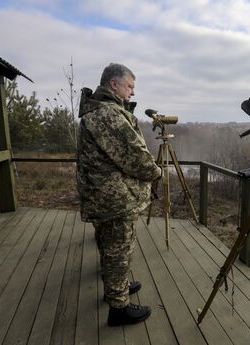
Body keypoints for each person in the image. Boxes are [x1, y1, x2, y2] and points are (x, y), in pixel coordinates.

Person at [76, 63, 161, 326]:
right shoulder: (108, 115)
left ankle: (118, 286)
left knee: (109, 244)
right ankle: (118, 307)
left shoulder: (98, 111)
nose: (132, 92)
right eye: (129, 86)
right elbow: (135, 156)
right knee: (118, 250)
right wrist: (156, 172)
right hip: (114, 197)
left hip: (104, 193)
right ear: (113, 85)